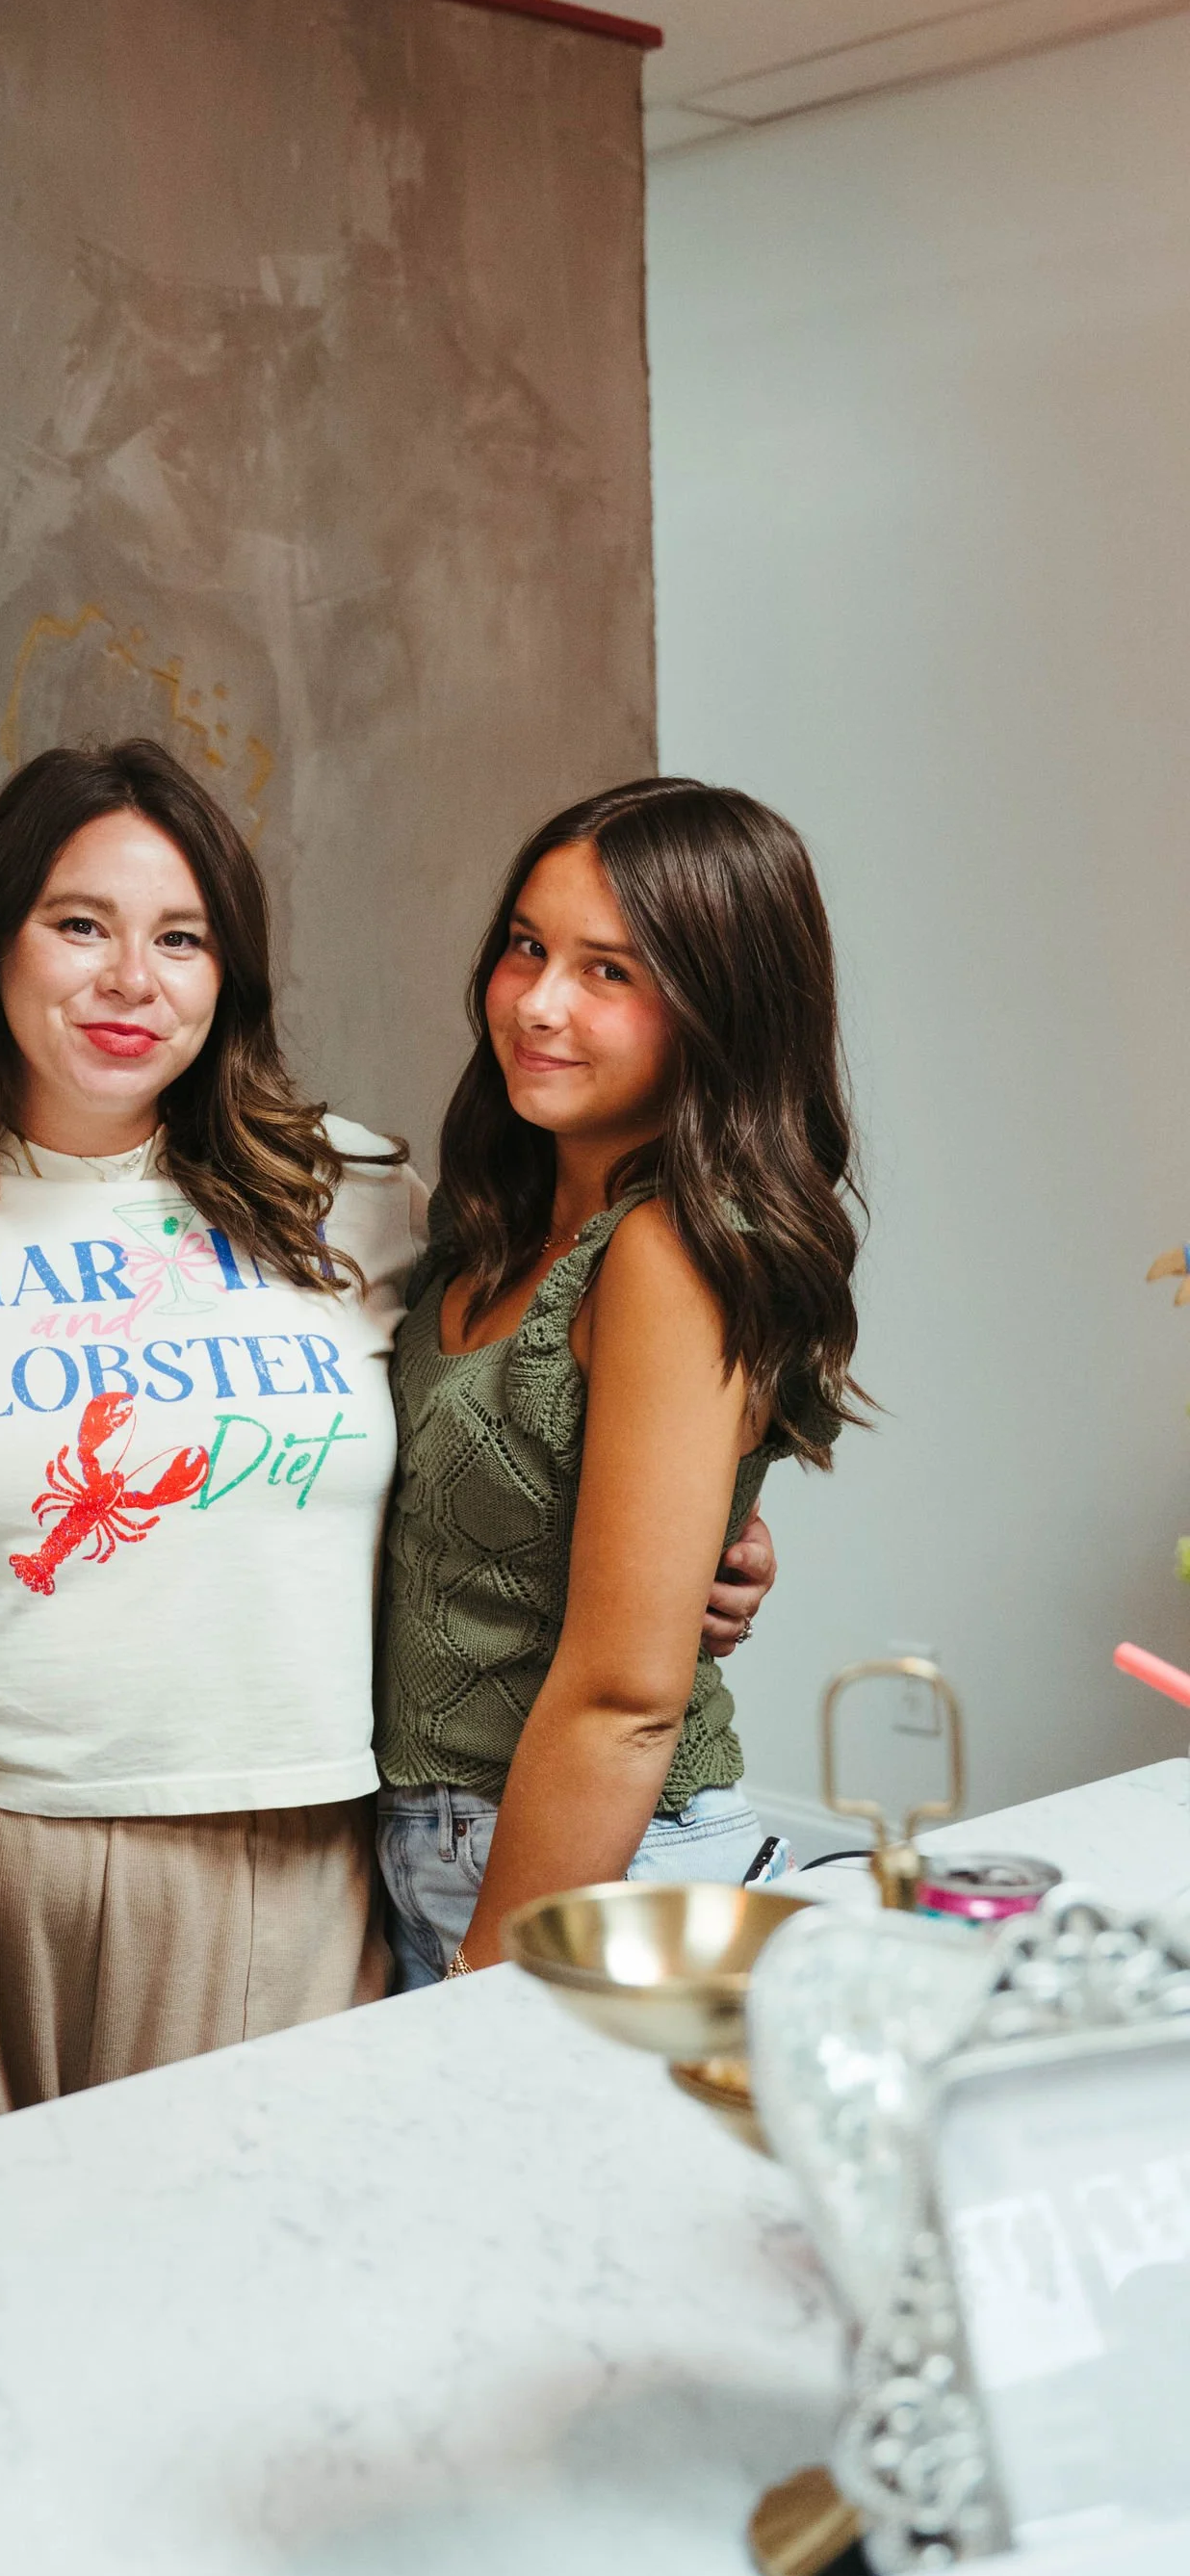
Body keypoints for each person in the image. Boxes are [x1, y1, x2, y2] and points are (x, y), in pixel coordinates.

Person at [0, 741, 774, 2121]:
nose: (130, 979)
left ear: (230, 974)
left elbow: (532, 1421)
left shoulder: (357, 1192)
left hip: (299, 1862)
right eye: (79, 923)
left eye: (182, 937)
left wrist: (703, 1542)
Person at [375, 776, 862, 1990]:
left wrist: (499, 1965)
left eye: (611, 972)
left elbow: (625, 1698)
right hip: (448, 1843)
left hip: (584, 1866)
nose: (539, 1003)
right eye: (528, 948)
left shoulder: (667, 1249)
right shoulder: (497, 1228)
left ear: (717, 1008)